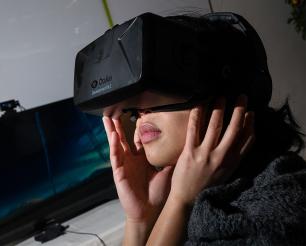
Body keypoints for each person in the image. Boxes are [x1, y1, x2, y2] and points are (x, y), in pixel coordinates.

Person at [102, 13, 306, 246]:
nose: (142, 110)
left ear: (226, 96)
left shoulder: (275, 213)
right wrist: (139, 220)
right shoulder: (186, 201)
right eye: (137, 103)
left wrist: (180, 202)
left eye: (163, 89)